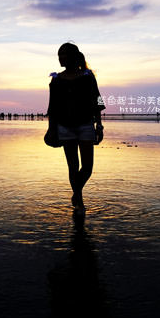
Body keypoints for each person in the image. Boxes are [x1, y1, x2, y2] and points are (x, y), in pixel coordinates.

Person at [47, 43, 105, 212]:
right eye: (59, 55)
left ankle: (76, 193)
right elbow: (53, 107)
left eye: (64, 54)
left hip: (86, 125)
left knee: (87, 167)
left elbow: (97, 101)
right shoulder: (56, 80)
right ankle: (79, 199)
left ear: (73, 56)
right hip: (65, 127)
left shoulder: (87, 76)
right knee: (73, 166)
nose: (60, 58)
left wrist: (99, 125)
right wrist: (52, 129)